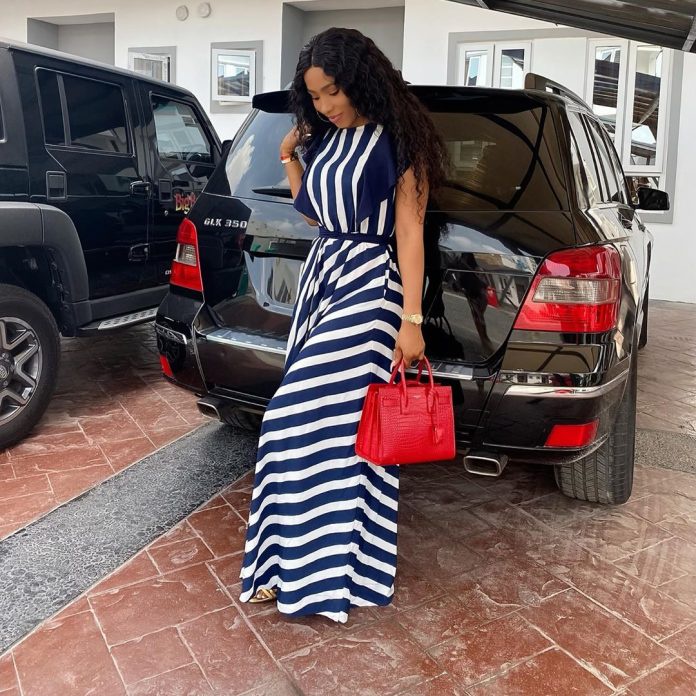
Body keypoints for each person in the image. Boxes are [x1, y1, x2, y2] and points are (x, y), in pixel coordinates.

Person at [238, 27, 448, 623]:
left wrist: (412, 320)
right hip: (322, 280)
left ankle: (323, 575)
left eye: (334, 91)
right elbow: (314, 211)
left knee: (291, 421)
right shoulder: (328, 140)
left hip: (371, 287)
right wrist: (289, 156)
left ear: (361, 80)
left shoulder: (399, 143)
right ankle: (294, 569)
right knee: (334, 433)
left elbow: (410, 234)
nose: (326, 104)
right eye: (316, 96)